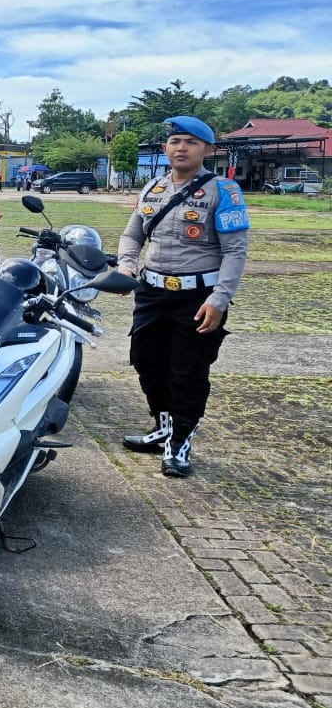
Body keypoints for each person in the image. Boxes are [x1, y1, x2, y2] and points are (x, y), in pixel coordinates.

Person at [117, 115, 249, 477]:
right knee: (146, 361)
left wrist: (219, 300)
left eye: (191, 142)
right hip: (151, 293)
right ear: (165, 148)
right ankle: (163, 427)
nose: (182, 148)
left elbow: (235, 251)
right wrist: (126, 267)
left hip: (198, 297)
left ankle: (180, 441)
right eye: (175, 141)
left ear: (207, 149)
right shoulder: (153, 188)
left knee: (186, 372)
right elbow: (132, 235)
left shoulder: (223, 191)